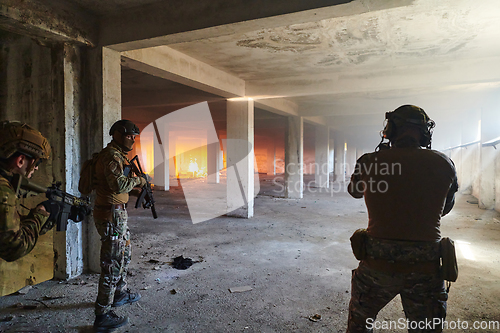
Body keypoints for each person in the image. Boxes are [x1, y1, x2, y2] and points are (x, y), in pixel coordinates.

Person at [346, 105, 459, 333]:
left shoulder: (369, 161)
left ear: (390, 130)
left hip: (376, 266)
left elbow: (355, 191)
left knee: (358, 329)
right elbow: (445, 209)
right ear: (425, 133)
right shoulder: (444, 164)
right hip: (426, 268)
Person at [91, 119, 147, 332]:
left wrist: (137, 191)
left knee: (125, 254)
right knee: (112, 264)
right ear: (117, 134)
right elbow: (117, 184)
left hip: (117, 214)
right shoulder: (111, 157)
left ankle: (119, 294)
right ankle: (102, 315)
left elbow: (116, 187)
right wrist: (139, 181)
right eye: (129, 135)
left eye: (134, 136)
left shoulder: (118, 157)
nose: (133, 139)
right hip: (110, 215)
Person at [0, 120, 59, 262]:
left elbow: (10, 227)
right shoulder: (4, 191)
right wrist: (41, 212)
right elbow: (14, 248)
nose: (37, 168)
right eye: (37, 163)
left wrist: (48, 218)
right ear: (20, 160)